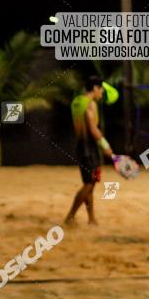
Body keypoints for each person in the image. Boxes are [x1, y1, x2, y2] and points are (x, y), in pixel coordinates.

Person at [64, 76, 114, 225]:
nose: (101, 94)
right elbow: (93, 129)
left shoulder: (76, 102)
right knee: (88, 184)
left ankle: (91, 218)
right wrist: (106, 146)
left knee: (90, 183)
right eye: (101, 91)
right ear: (95, 88)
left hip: (80, 146)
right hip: (90, 149)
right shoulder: (91, 104)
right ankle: (70, 216)